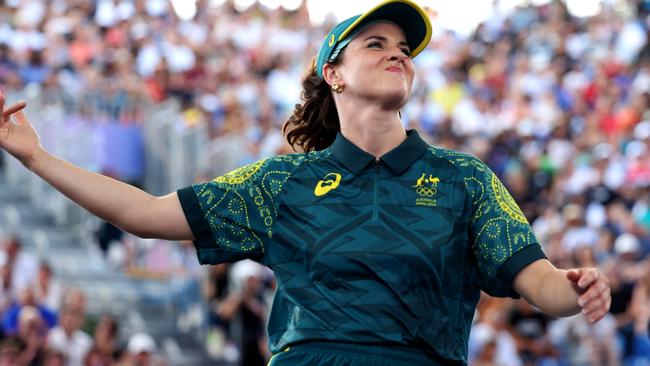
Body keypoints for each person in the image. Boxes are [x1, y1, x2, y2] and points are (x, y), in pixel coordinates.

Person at [0, 0, 612, 365]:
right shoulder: (283, 181)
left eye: (405, 47)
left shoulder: (464, 179)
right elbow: (145, 212)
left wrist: (572, 287)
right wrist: (37, 157)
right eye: (376, 43)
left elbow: (536, 281)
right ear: (334, 73)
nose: (398, 53)